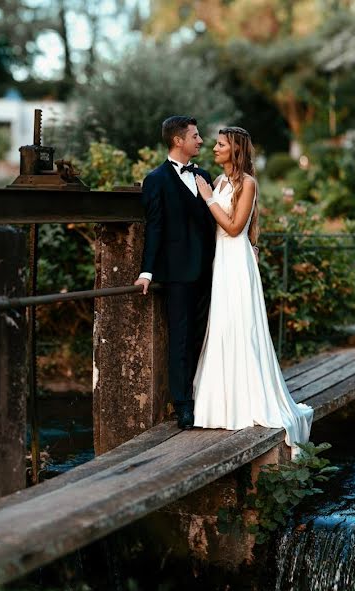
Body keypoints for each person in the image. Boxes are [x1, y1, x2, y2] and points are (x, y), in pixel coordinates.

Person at [192, 126, 313, 457]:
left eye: (220, 145)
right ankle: (221, 406)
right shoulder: (218, 183)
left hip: (237, 262)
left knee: (242, 327)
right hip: (221, 264)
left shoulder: (248, 183)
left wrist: (207, 198)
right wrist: (210, 194)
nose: (214, 149)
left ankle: (248, 401)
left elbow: (233, 228)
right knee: (222, 327)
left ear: (235, 150)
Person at [134, 116, 215, 430]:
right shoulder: (156, 179)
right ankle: (183, 405)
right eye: (195, 136)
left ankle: (206, 396)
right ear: (178, 140)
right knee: (180, 340)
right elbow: (153, 228)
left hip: (208, 271)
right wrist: (147, 272)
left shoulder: (204, 176)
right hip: (178, 274)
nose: (201, 141)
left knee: (203, 337)